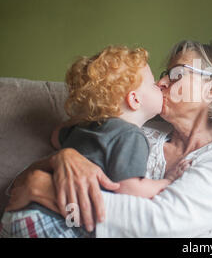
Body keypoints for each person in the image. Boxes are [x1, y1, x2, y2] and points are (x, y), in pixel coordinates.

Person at [3, 40, 212, 237]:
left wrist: (47, 192)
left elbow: (163, 224)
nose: (161, 82)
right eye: (162, 74)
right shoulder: (136, 133)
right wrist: (62, 158)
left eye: (176, 74)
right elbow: (16, 189)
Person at [0, 45, 190, 237]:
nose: (160, 84)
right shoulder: (131, 136)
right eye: (152, 84)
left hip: (18, 213)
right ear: (134, 100)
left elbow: (55, 136)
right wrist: (168, 181)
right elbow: (131, 190)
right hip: (53, 222)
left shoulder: (86, 126)